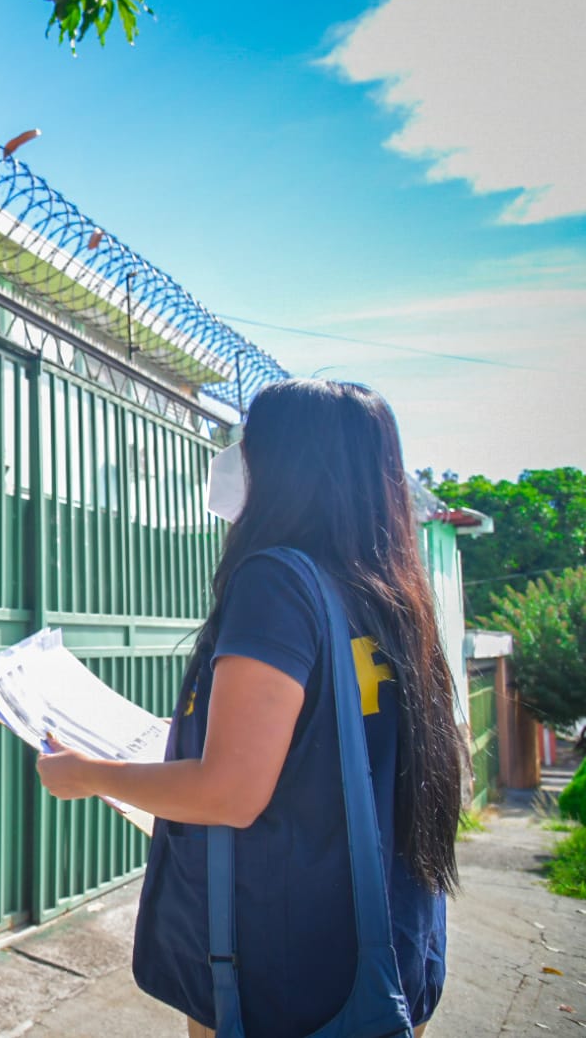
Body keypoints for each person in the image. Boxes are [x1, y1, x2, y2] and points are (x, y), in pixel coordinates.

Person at [34, 380, 464, 1037]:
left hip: (288, 969)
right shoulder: (394, 591)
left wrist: (87, 775)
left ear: (284, 463)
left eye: (249, 441)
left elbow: (229, 793)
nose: (235, 458)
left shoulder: (276, 583)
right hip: (388, 953)